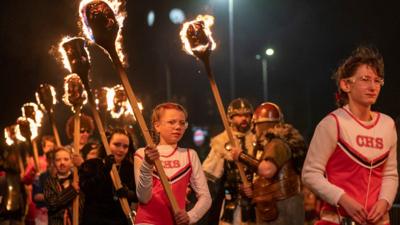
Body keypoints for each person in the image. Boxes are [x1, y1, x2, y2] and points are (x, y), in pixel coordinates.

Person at [302, 46, 398, 225]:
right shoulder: (332, 123)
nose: (372, 87)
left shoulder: (387, 124)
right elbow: (310, 174)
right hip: (338, 220)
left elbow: (390, 173)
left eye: (377, 81)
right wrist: (343, 199)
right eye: (365, 79)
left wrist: (385, 202)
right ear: (346, 85)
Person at [134, 102, 211, 225]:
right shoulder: (142, 153)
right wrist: (147, 164)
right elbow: (143, 197)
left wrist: (190, 216)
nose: (178, 127)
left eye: (182, 123)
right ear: (157, 126)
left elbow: (206, 197)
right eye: (171, 122)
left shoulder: (190, 155)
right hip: (147, 222)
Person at [232, 102, 306, 225]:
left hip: (282, 208)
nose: (254, 130)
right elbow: (264, 178)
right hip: (272, 207)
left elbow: (267, 170)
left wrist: (241, 156)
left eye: (255, 126)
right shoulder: (270, 145)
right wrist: (252, 187)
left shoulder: (277, 144)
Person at [202, 98, 256, 225]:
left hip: (257, 201)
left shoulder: (258, 138)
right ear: (230, 118)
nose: (244, 118)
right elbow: (208, 175)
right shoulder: (221, 141)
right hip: (232, 202)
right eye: (238, 115)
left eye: (247, 115)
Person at [79, 128, 137, 225]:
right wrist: (105, 170)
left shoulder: (131, 168)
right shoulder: (92, 164)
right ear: (107, 144)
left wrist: (128, 193)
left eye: (125, 146)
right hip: (95, 220)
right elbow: (86, 188)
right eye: (117, 144)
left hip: (120, 220)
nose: (121, 150)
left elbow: (138, 195)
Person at [44, 147, 81, 225]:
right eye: (58, 160)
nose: (62, 163)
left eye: (66, 159)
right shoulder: (49, 182)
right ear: (54, 162)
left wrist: (81, 165)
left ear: (71, 162)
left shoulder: (79, 178)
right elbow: (52, 204)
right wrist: (72, 190)